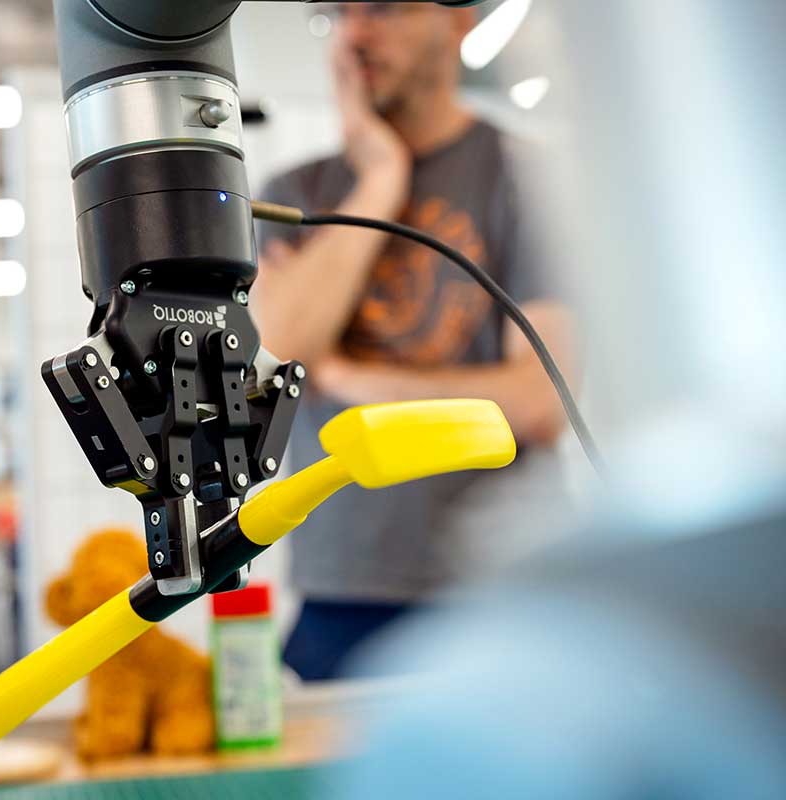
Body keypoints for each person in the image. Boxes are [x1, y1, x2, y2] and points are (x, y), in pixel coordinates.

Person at [254, 5, 576, 681]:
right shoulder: (296, 193)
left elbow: (541, 402)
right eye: (338, 12)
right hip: (341, 594)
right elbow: (282, 349)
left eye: (382, 6)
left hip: (499, 589)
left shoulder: (527, 178)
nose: (354, 34)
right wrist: (380, 179)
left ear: (458, 18)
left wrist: (349, 377)